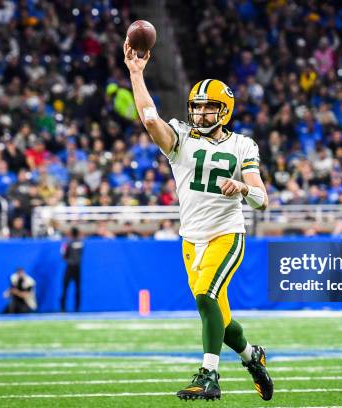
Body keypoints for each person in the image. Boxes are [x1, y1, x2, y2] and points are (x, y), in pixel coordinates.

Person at [124, 41, 273, 401]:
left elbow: (262, 200)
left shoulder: (242, 146)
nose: (202, 114)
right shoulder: (181, 138)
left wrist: (241, 186)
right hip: (191, 238)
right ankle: (253, 357)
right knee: (219, 318)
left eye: (209, 109)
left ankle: (209, 375)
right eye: (198, 108)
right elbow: (148, 117)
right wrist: (136, 73)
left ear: (225, 111)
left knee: (206, 294)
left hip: (226, 233)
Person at [60, 226, 84, 312]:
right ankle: (77, 308)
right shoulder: (81, 242)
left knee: (65, 287)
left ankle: (62, 308)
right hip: (77, 267)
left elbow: (63, 254)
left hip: (70, 266)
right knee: (77, 288)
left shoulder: (68, 243)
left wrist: (67, 259)